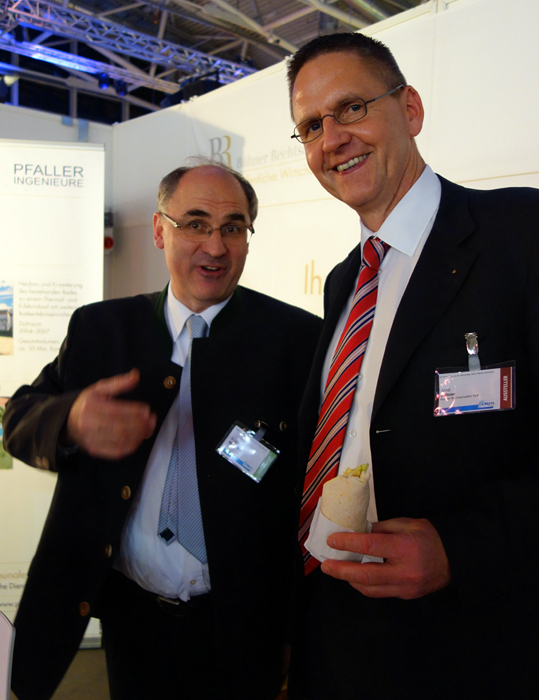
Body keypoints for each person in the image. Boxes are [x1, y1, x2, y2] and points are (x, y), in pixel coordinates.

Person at [3, 161, 322, 700]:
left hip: (243, 625)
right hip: (131, 617)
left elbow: (309, 493)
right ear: (159, 230)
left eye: (232, 227)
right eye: (195, 223)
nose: (215, 247)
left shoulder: (295, 340)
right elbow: (18, 418)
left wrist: (294, 627)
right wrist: (71, 419)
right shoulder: (101, 330)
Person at [286, 32, 539, 700]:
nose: (332, 139)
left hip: (470, 645)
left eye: (351, 108)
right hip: (337, 633)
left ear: (411, 109)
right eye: (311, 126)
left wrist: (462, 549)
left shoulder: (520, 234)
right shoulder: (344, 281)